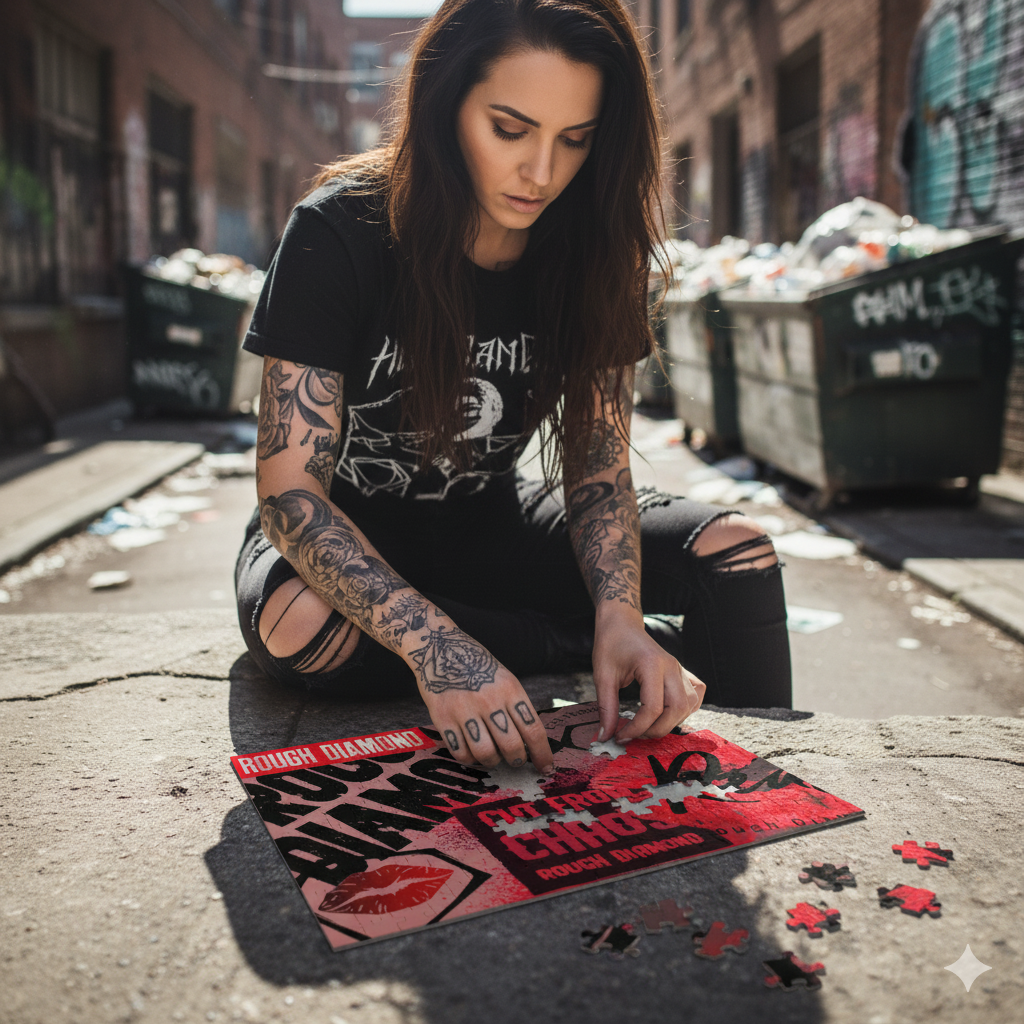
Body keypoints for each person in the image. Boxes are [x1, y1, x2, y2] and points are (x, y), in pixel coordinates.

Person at [235, 0, 791, 778]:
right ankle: (562, 643)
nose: (542, 172)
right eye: (509, 129)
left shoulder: (597, 248)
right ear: (446, 103)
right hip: (351, 533)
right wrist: (440, 649)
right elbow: (291, 496)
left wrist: (621, 613)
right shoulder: (341, 230)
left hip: (492, 526)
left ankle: (770, 779)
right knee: (301, 624)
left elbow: (598, 470)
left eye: (576, 140)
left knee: (737, 553)